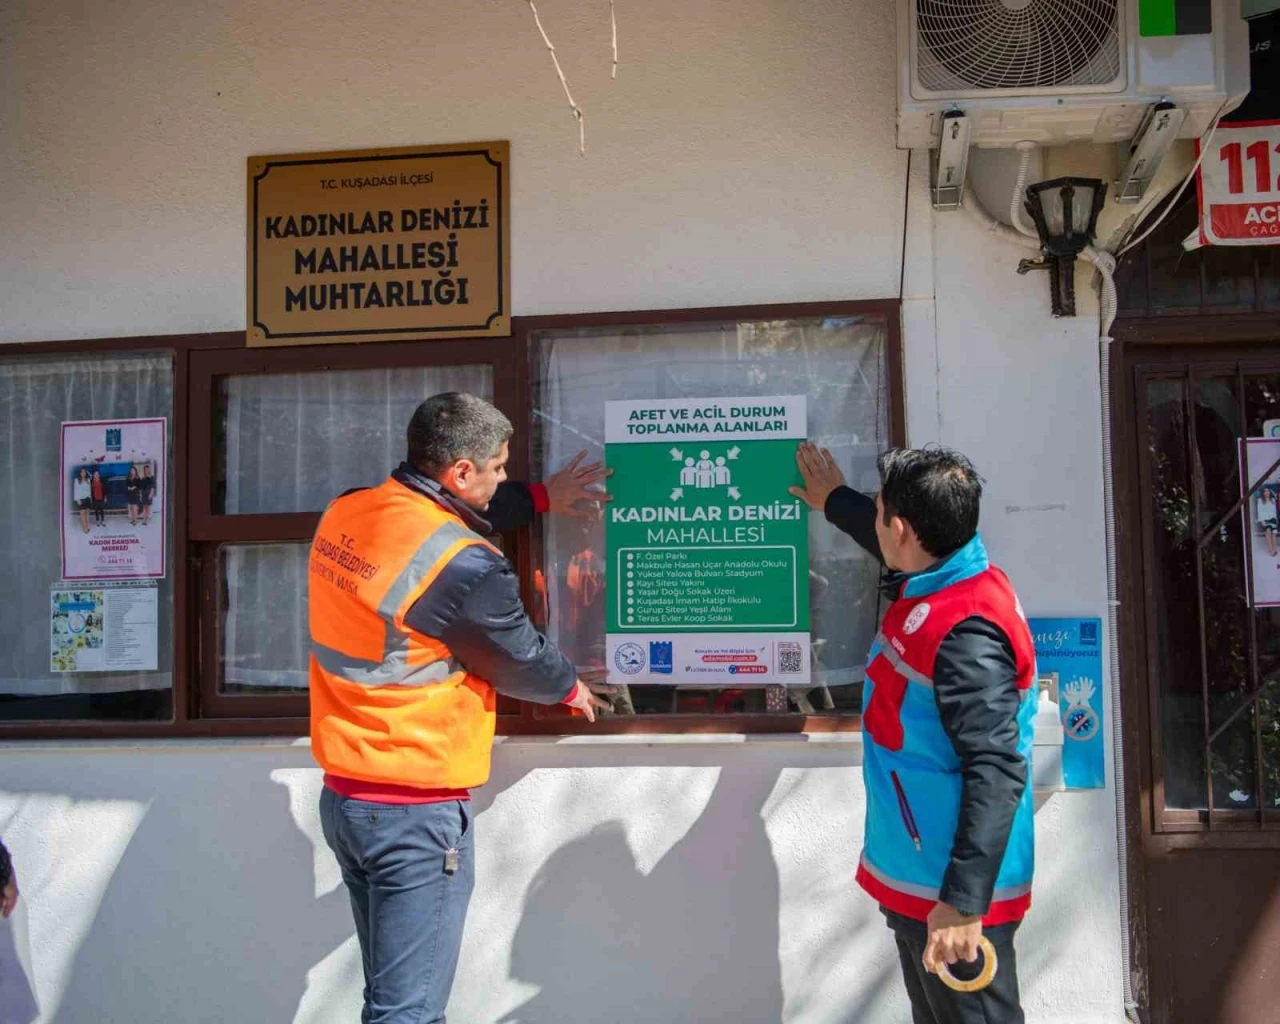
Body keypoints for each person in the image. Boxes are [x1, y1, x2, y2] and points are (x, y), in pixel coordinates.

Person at [310, 392, 610, 1024]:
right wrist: (569, 687)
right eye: (499, 467)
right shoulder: (463, 565)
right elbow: (516, 656)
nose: (507, 477)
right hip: (412, 812)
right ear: (461, 472)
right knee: (407, 1013)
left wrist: (539, 499)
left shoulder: (347, 512)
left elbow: (441, 515)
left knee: (394, 1001)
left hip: (346, 796)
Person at [792, 443, 1035, 1024]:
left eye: (877, 511)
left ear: (901, 528)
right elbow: (892, 542)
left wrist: (962, 902)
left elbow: (997, 770)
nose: (873, 520)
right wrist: (835, 502)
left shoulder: (965, 631)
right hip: (920, 873)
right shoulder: (947, 574)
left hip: (949, 892)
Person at [1257, 485, 1278, 558]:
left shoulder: (1272, 500)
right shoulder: (1260, 500)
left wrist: (1276, 519)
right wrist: (1262, 520)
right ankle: (1271, 550)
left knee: (1274, 534)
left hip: (1273, 519)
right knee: (1268, 533)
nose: (1267, 492)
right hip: (1265, 519)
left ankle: (1274, 549)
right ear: (1263, 493)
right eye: (1265, 491)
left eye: (1268, 491)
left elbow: (1274, 510)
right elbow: (1259, 511)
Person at [73, 468, 92, 534]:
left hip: (88, 499)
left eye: (84, 472)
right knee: (82, 514)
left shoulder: (88, 480)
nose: (83, 473)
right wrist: (77, 499)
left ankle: (87, 525)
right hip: (81, 499)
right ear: (80, 473)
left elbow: (89, 490)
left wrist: (90, 498)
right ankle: (84, 528)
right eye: (82, 472)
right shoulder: (77, 480)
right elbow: (75, 490)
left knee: (87, 514)